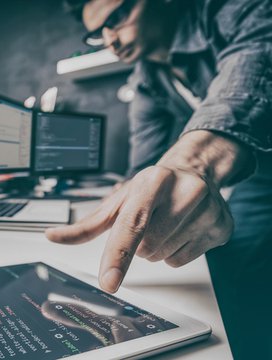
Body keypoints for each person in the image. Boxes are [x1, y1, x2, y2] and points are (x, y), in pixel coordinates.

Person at [44, 0, 272, 358]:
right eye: (97, 33)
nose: (110, 38)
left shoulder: (233, 9)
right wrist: (131, 190)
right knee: (223, 257)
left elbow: (254, 62)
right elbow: (144, 163)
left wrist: (192, 163)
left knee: (237, 260)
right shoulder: (146, 79)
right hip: (254, 180)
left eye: (117, 18)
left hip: (262, 172)